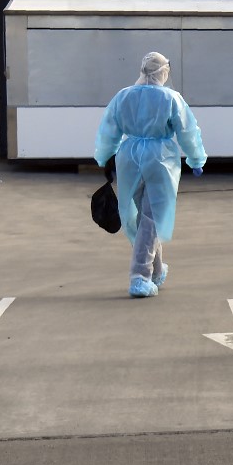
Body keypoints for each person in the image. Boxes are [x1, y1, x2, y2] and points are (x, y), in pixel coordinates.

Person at [94, 52, 207, 298]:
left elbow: (108, 129)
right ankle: (139, 276)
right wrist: (196, 158)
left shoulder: (123, 96)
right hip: (161, 159)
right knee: (153, 217)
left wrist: (104, 156)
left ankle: (155, 270)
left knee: (140, 217)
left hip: (129, 158)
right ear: (163, 71)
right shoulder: (171, 98)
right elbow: (187, 130)